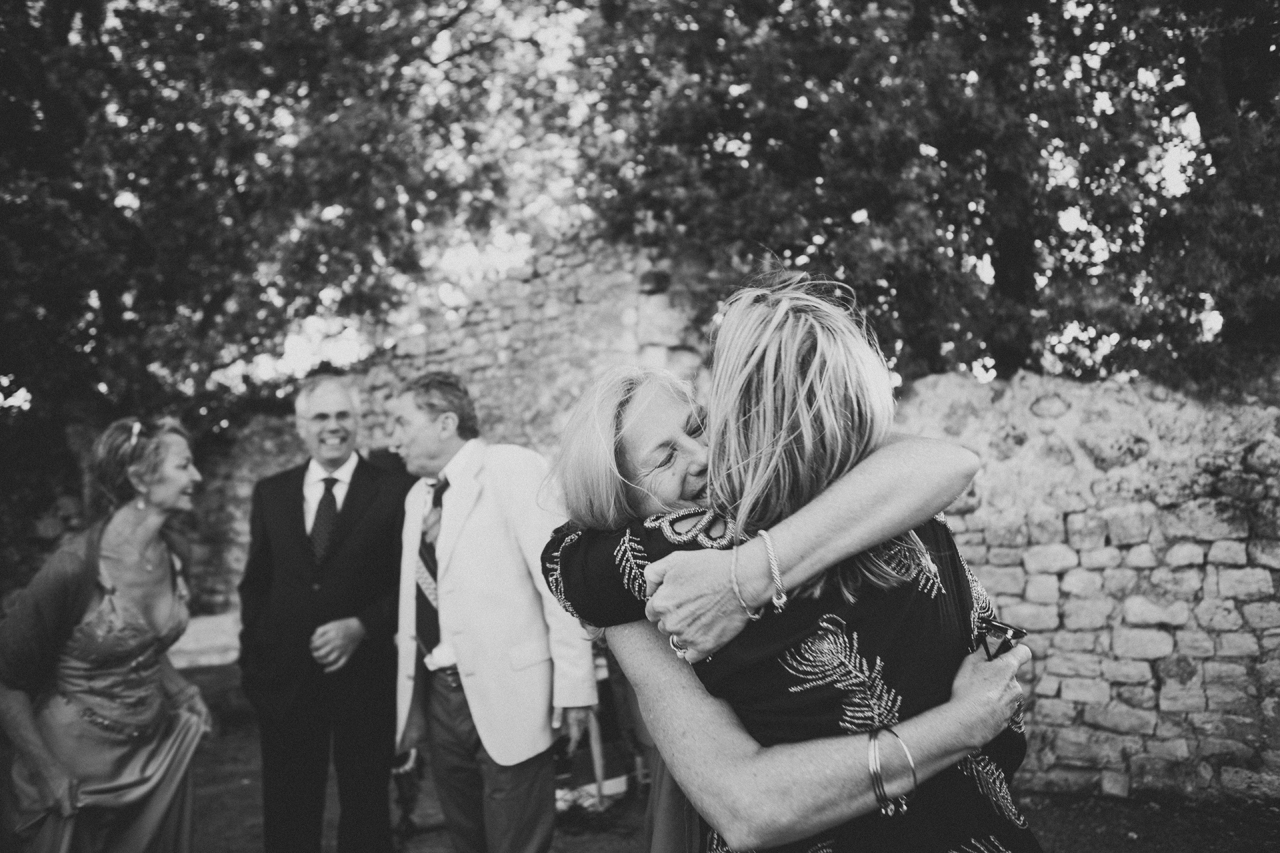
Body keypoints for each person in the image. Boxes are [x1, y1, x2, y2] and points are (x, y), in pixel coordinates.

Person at [544, 274, 1041, 852]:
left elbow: (947, 462)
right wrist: (961, 725)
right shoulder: (630, 575)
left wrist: (747, 576)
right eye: (663, 458)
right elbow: (748, 806)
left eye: (699, 427)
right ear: (619, 502)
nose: (701, 456)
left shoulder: (824, 495)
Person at [386, 372, 597, 853]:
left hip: (515, 692)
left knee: (517, 840)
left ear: (445, 423)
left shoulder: (511, 468)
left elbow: (558, 583)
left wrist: (574, 686)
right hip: (439, 696)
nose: (392, 439)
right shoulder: (416, 498)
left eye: (401, 422)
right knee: (467, 839)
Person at [0, 416, 211, 852]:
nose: (197, 476)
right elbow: (7, 681)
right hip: (73, 770)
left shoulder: (174, 553)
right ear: (139, 479)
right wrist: (47, 771)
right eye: (183, 465)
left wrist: (182, 691)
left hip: (151, 760)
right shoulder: (74, 568)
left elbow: (141, 640)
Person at [238, 374, 414, 853]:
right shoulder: (271, 493)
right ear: (301, 426)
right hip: (286, 682)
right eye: (320, 417)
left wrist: (362, 626)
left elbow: (409, 583)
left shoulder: (396, 490)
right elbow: (256, 584)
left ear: (357, 421)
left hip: (366, 679)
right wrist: (253, 664)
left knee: (366, 812)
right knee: (289, 813)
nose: (332, 426)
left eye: (342, 415)